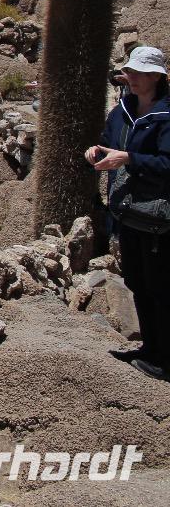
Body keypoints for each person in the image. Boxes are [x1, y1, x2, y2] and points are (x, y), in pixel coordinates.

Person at [86, 45, 170, 380]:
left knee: (160, 287)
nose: (130, 78)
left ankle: (164, 359)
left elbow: (167, 163)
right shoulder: (121, 111)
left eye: (138, 73)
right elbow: (109, 141)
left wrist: (129, 159)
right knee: (137, 281)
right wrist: (97, 152)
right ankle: (150, 349)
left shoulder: (166, 115)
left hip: (158, 217)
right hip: (128, 212)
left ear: (156, 77)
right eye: (129, 72)